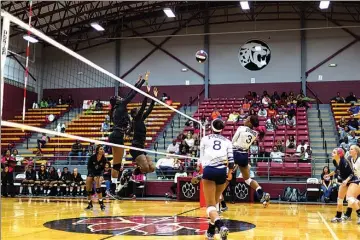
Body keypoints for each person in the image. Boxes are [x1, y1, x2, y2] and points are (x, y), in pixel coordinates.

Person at [198, 119, 234, 240]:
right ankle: (211, 231)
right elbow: (231, 160)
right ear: (222, 128)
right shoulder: (228, 141)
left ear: (211, 127)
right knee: (216, 203)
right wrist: (230, 173)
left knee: (210, 206)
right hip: (221, 172)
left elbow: (201, 159)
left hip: (209, 171)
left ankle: (221, 225)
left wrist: (200, 172)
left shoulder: (205, 139)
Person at [108, 75, 147, 178]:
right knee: (117, 164)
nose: (121, 98)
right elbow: (132, 94)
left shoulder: (116, 109)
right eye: (119, 97)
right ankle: (112, 189)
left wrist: (137, 82)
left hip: (116, 135)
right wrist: (143, 81)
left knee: (117, 164)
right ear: (117, 101)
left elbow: (129, 93)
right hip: (117, 136)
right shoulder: (120, 106)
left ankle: (113, 188)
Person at [232, 115, 270, 206]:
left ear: (249, 121)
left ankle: (219, 203)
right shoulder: (255, 133)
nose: (244, 119)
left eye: (246, 118)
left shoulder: (241, 128)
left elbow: (233, 141)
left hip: (235, 153)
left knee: (226, 177)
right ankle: (261, 192)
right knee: (247, 179)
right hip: (244, 155)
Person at [129, 86, 158, 174]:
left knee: (152, 168)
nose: (140, 111)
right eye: (138, 111)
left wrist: (154, 98)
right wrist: (147, 94)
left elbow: (149, 109)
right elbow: (143, 106)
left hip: (141, 147)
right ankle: (130, 172)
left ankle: (137, 168)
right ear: (135, 114)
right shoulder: (135, 120)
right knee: (145, 169)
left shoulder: (140, 119)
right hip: (135, 148)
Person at [324, 148, 354, 223]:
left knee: (351, 200)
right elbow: (336, 170)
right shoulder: (336, 161)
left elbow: (352, 174)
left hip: (352, 181)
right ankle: (338, 216)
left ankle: (352, 214)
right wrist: (328, 175)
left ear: (339, 154)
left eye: (334, 153)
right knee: (339, 199)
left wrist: (346, 180)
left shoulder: (344, 162)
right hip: (345, 182)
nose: (332, 154)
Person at [85, 145, 108, 211]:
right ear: (97, 150)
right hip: (91, 173)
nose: (102, 150)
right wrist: (93, 176)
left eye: (103, 149)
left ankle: (101, 204)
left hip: (98, 174)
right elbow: (88, 168)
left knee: (98, 185)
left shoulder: (104, 159)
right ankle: (90, 204)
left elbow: (103, 169)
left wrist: (101, 175)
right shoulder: (92, 157)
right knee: (88, 188)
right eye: (101, 149)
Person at [343, 145, 360, 224]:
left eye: (351, 149)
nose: (349, 150)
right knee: (352, 199)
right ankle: (348, 214)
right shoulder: (350, 160)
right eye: (349, 149)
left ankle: (349, 214)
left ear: (356, 151)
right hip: (355, 181)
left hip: (358, 182)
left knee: (350, 197)